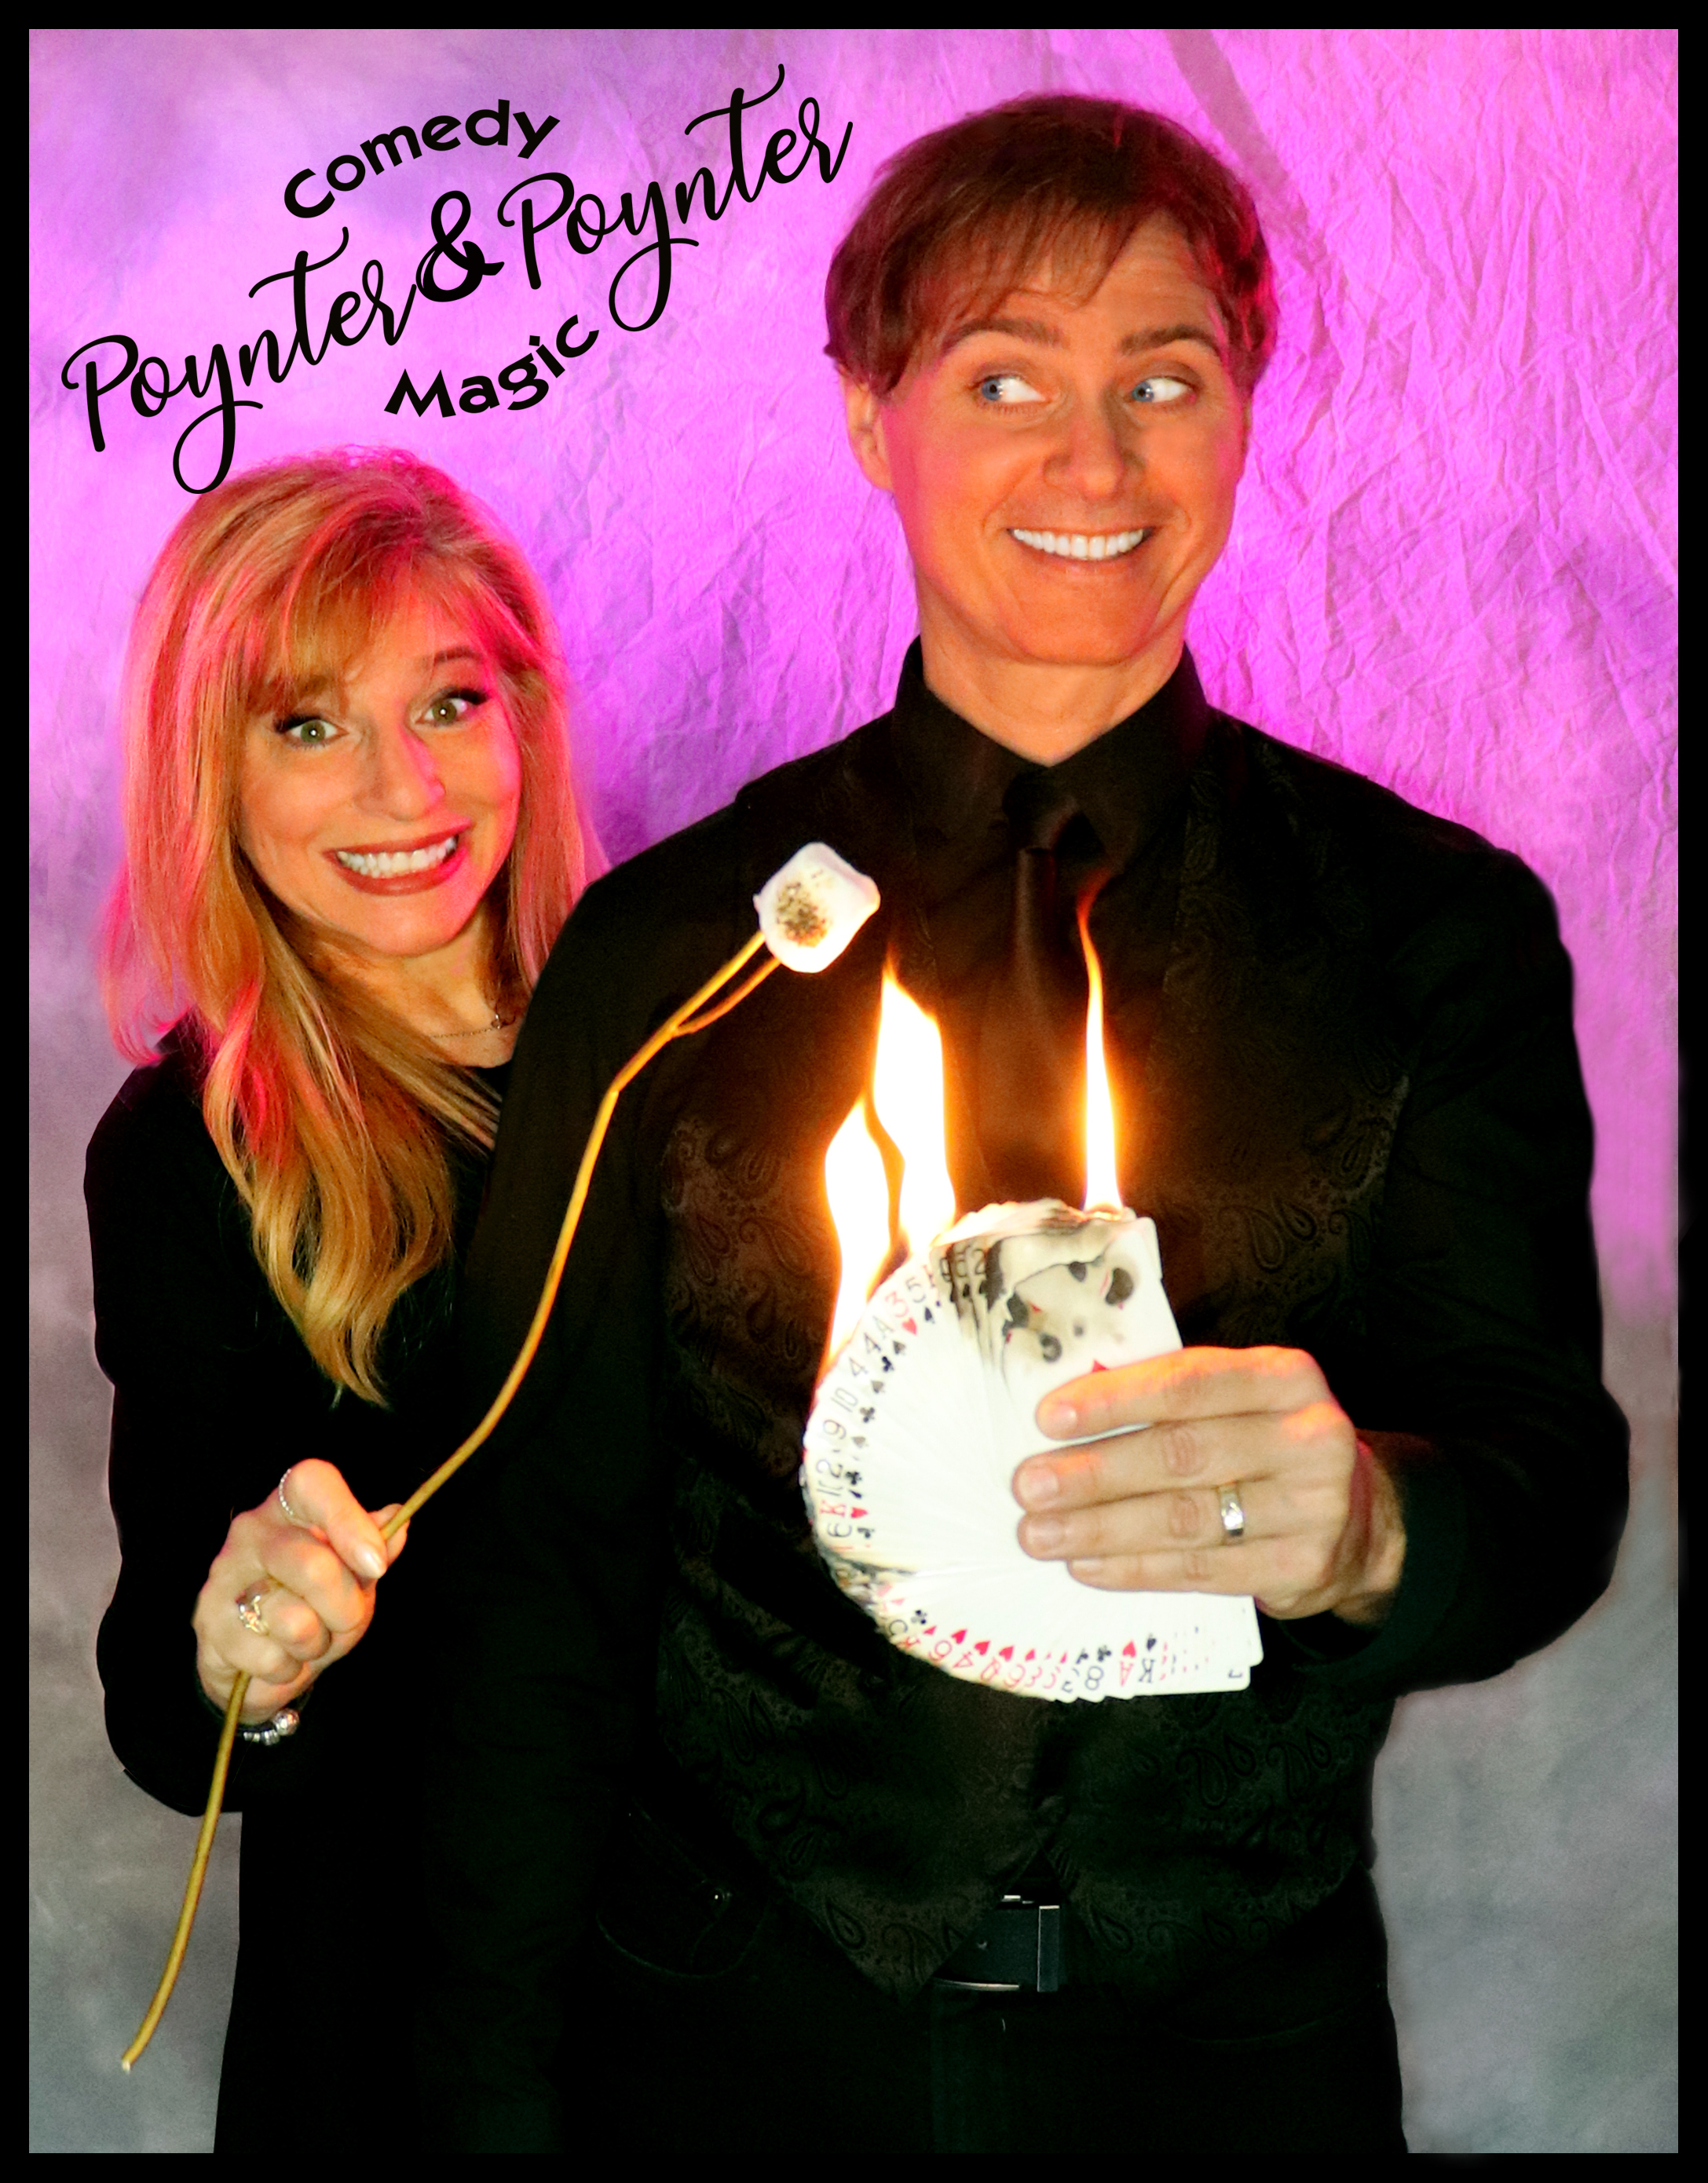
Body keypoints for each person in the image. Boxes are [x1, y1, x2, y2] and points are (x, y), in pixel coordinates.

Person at [422, 97, 1629, 2154]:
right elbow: (537, 1577)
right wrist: (486, 2108)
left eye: (1163, 380)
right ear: (868, 417)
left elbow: (1544, 1479)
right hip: (729, 2054)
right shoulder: (667, 951)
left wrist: (1373, 1524)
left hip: (1227, 2075)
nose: (1096, 460)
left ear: (1241, 419)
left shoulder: (1437, 936)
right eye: (1004, 380)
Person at [85, 449, 591, 2152]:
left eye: (449, 701)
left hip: (734, 2005)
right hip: (405, 2036)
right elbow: (167, 1724)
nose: (403, 786)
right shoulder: (188, 1152)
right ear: (208, 773)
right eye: (309, 725)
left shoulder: (683, 1039)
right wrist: (246, 1647)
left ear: (525, 712)